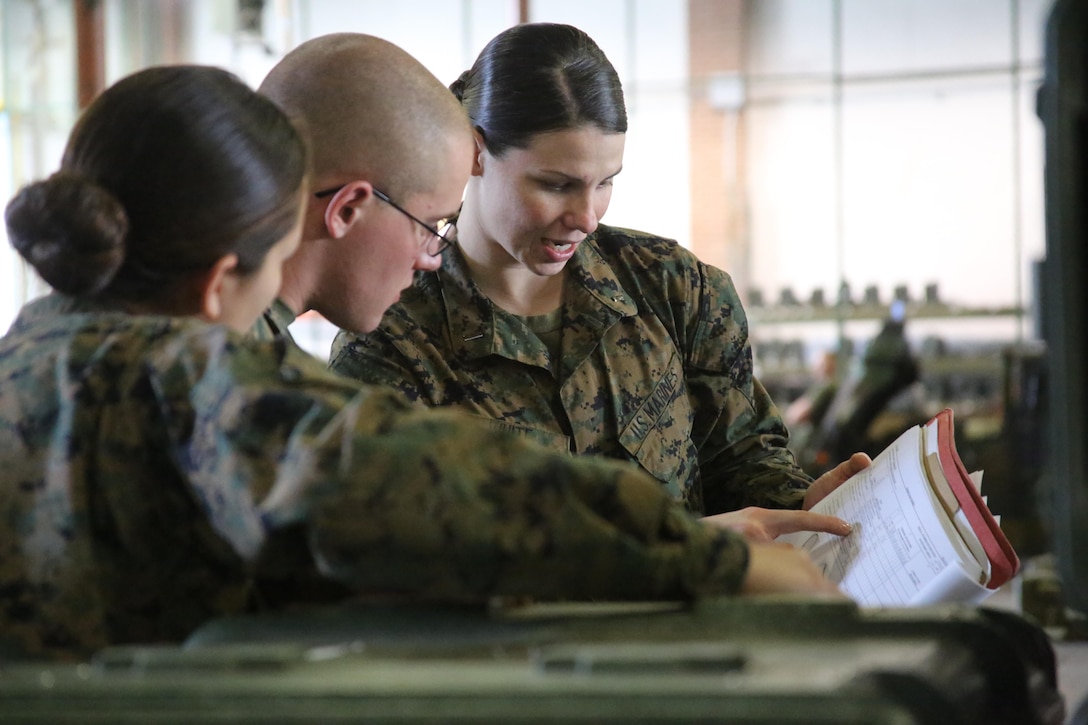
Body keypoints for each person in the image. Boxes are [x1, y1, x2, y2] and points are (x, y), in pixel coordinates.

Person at [0, 62, 849, 663]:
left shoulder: (34, 357)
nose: (429, 255)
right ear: (226, 274)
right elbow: (439, 490)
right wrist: (716, 559)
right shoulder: (195, 383)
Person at [329, 23, 869, 540]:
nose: (586, 216)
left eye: (605, 183)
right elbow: (412, 554)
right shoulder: (394, 338)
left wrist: (803, 506)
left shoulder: (675, 291)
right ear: (475, 151)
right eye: (556, 184)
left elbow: (743, 464)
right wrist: (677, 549)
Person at [250, 32, 469, 341]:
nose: (430, 259)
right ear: (346, 210)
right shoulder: (253, 375)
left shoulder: (188, 321)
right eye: (427, 227)